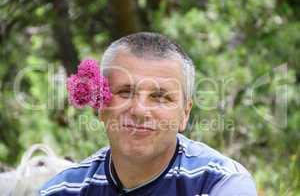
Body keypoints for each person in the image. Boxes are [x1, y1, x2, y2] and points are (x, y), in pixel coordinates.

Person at [40, 32, 257, 196]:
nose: (140, 111)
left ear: (185, 114)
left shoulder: (221, 184)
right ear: (100, 105)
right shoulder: (63, 190)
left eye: (160, 97)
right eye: (125, 92)